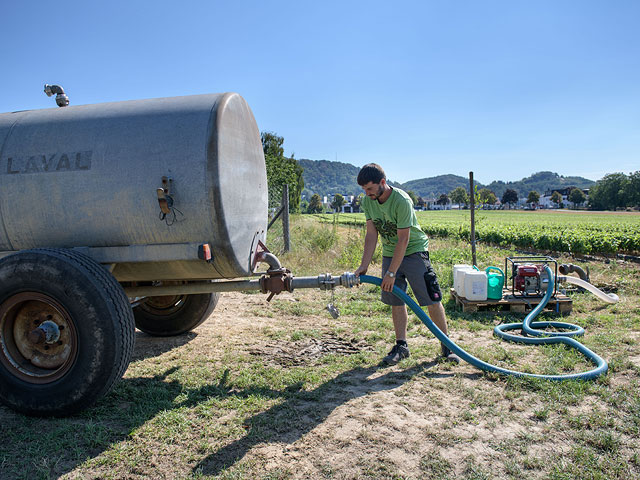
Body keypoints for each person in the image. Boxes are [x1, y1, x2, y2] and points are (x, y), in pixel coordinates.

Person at [353, 163, 460, 365]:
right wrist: (364, 266)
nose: (366, 194)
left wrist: (391, 273)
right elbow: (371, 234)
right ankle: (401, 346)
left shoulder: (401, 200)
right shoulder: (368, 202)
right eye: (363, 190)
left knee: (431, 298)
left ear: (382, 183)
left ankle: (447, 347)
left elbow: (404, 239)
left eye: (369, 188)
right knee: (396, 299)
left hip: (414, 252)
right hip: (390, 253)